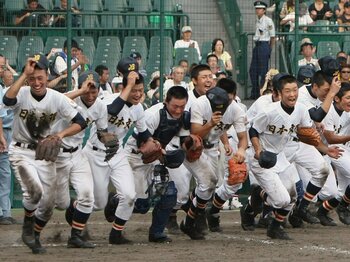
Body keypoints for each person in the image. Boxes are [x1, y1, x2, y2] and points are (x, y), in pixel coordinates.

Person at [2, 54, 86, 254]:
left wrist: (61, 134)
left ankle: (35, 235)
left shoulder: (57, 98)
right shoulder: (21, 92)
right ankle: (27, 225)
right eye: (33, 79)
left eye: (41, 78)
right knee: (35, 191)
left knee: (48, 205)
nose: (37, 83)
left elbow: (81, 121)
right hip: (21, 151)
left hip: (44, 153)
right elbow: (7, 99)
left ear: (48, 76)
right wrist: (24, 74)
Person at [83, 58, 150, 245]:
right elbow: (112, 111)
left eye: (140, 91)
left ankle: (116, 234)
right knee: (97, 203)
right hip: (96, 152)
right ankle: (74, 210)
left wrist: (153, 144)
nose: (137, 95)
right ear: (123, 86)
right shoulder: (109, 99)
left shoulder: (138, 109)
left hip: (117, 153)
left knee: (129, 195)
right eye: (134, 90)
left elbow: (144, 133)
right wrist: (128, 85)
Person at [53, 71, 103, 249]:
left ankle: (75, 236)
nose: (90, 95)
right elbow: (56, 99)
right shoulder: (70, 100)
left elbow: (103, 130)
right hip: (58, 156)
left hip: (78, 154)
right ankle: (68, 206)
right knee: (61, 204)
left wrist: (108, 138)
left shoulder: (100, 105)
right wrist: (81, 91)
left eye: (93, 91)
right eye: (87, 91)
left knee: (88, 196)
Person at [204, 80, 248, 232]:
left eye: (227, 99)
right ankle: (193, 217)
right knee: (203, 186)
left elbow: (238, 134)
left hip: (214, 146)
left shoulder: (236, 110)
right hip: (193, 146)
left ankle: (213, 212)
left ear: (234, 96)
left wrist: (239, 149)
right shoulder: (203, 104)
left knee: (234, 179)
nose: (223, 102)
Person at [315, 83, 350, 226]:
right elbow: (330, 138)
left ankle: (322, 211)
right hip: (329, 150)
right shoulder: (329, 112)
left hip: (343, 149)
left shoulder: (347, 111)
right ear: (337, 99)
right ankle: (343, 207)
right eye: (348, 98)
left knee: (341, 189)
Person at [249, 1, 275, 99]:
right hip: (258, 45)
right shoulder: (257, 20)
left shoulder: (268, 21)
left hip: (264, 45)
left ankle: (262, 92)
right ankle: (255, 92)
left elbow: (272, 37)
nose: (257, 10)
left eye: (260, 9)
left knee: (263, 71)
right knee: (253, 71)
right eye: (256, 8)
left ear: (264, 10)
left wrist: (269, 49)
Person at [0, 56, 14, 225]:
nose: (2, 69)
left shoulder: (3, 88)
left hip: (6, 132)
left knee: (5, 173)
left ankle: (5, 211)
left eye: (3, 66)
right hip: (2, 133)